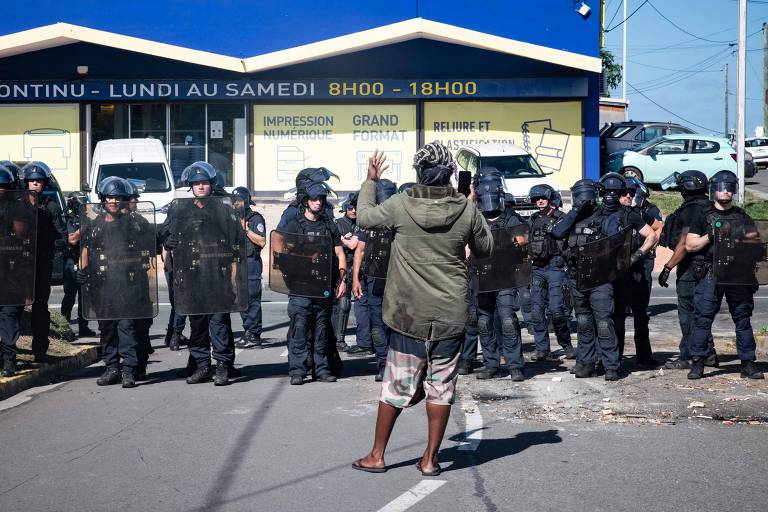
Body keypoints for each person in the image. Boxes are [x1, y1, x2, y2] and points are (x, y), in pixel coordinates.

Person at [352, 144, 492, 476]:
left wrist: (371, 180)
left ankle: (377, 455)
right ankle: (430, 459)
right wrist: (470, 203)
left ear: (418, 173)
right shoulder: (465, 209)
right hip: (449, 316)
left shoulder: (400, 205)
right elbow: (485, 248)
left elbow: (366, 216)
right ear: (451, 175)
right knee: (441, 388)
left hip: (406, 316)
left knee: (396, 386)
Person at [159, 162, 243, 386]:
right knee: (197, 325)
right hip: (192, 277)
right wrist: (168, 241)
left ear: (211, 184)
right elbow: (163, 233)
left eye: (204, 182)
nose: (201, 186)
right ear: (191, 187)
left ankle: (223, 366)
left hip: (217, 277)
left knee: (219, 324)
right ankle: (202, 366)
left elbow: (237, 238)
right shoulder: (180, 210)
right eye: (196, 183)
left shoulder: (223, 209)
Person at [684, 170, 764, 380]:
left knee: (742, 318)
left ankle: (748, 363)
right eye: (721, 187)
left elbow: (757, 246)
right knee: (702, 318)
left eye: (729, 187)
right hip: (711, 272)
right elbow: (690, 245)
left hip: (737, 273)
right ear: (713, 190)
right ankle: (698, 363)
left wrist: (743, 241)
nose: (725, 191)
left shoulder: (742, 216)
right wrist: (711, 235)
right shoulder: (703, 215)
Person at [77, 177, 154, 388]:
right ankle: (112, 368)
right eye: (110, 197)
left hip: (128, 287)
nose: (114, 201)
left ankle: (129, 370)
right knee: (107, 329)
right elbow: (85, 249)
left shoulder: (134, 223)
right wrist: (81, 271)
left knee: (127, 329)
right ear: (103, 199)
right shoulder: (95, 225)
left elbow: (148, 250)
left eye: (118, 197)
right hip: (102, 287)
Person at [552, 178, 626, 380]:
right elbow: (557, 233)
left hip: (600, 278)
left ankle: (611, 365)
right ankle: (586, 362)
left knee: (603, 323)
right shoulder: (571, 218)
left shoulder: (606, 217)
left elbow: (615, 243)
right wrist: (576, 211)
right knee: (584, 322)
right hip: (577, 277)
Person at [277, 178, 347, 385]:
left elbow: (340, 254)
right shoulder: (294, 224)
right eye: (314, 199)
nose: (318, 202)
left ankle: (322, 369)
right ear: (306, 200)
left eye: (321, 199)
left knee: (322, 330)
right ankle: (297, 370)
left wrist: (342, 280)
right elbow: (282, 253)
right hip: (300, 287)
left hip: (323, 287)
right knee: (299, 329)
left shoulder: (329, 226)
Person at [470, 168, 528, 381]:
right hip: (482, 277)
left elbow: (523, 241)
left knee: (507, 321)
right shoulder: (474, 218)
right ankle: (491, 363)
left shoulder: (511, 218)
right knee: (484, 323)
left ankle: (515, 365)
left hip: (505, 278)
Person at [657, 170, 717, 370]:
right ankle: (706, 354)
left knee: (688, 314)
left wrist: (668, 266)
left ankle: (691, 356)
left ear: (685, 188)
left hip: (692, 267)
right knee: (701, 312)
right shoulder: (711, 207)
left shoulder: (691, 211)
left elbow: (684, 244)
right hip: (711, 267)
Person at [610, 174, 659, 367]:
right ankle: (615, 357)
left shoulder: (637, 214)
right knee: (616, 316)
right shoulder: (607, 214)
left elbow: (653, 233)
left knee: (641, 315)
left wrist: (638, 255)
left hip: (636, 269)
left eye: (631, 193)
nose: (628, 196)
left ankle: (644, 356)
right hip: (615, 272)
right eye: (624, 193)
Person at [351, 180, 398, 381]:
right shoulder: (370, 221)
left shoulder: (399, 220)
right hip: (373, 279)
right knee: (377, 325)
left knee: (397, 324)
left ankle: (397, 365)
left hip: (397, 280)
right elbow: (359, 251)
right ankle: (382, 363)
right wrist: (355, 279)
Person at [21, 161, 67, 362]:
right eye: (31, 181)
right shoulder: (17, 205)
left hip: (41, 264)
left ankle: (40, 349)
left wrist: (50, 247)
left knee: (40, 307)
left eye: (38, 181)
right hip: (18, 265)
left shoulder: (52, 208)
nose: (34, 184)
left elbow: (63, 236)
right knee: (11, 307)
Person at [527, 184, 574, 361]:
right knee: (536, 312)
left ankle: (566, 344)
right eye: (536, 199)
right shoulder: (532, 220)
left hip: (556, 267)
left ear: (550, 199)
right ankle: (542, 349)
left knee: (557, 310)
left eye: (543, 198)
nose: (539, 201)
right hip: (538, 268)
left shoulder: (562, 219)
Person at [0, 164, 36, 377]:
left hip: (12, 271)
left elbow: (20, 235)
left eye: (4, 185)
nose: (1, 189)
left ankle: (9, 359)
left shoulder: (18, 208)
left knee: (9, 315)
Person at [232, 187, 267, 350]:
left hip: (251, 263)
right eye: (234, 201)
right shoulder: (232, 218)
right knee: (241, 299)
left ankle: (254, 334)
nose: (236, 204)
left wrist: (245, 229)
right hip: (237, 263)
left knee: (252, 299)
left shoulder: (255, 218)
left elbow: (261, 241)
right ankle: (248, 331)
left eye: (239, 200)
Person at [61, 192, 96, 338]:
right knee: (70, 295)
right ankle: (64, 327)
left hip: (86, 259)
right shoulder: (69, 219)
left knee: (85, 296)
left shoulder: (86, 219)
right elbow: (72, 240)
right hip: (72, 260)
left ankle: (84, 327)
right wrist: (84, 228)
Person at [333, 192, 361, 353]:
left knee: (361, 306)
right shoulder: (339, 223)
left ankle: (365, 339)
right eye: (350, 207)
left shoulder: (362, 222)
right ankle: (339, 339)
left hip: (358, 268)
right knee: (342, 305)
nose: (353, 210)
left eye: (355, 207)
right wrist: (344, 239)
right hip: (344, 267)